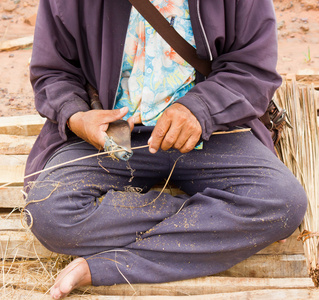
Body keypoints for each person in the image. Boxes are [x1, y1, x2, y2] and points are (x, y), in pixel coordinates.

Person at [25, 0, 307, 299]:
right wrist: (77, 116)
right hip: (113, 135)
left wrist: (200, 109)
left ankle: (108, 266)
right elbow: (53, 73)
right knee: (49, 213)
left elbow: (254, 69)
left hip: (214, 130)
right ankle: (220, 220)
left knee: (281, 201)